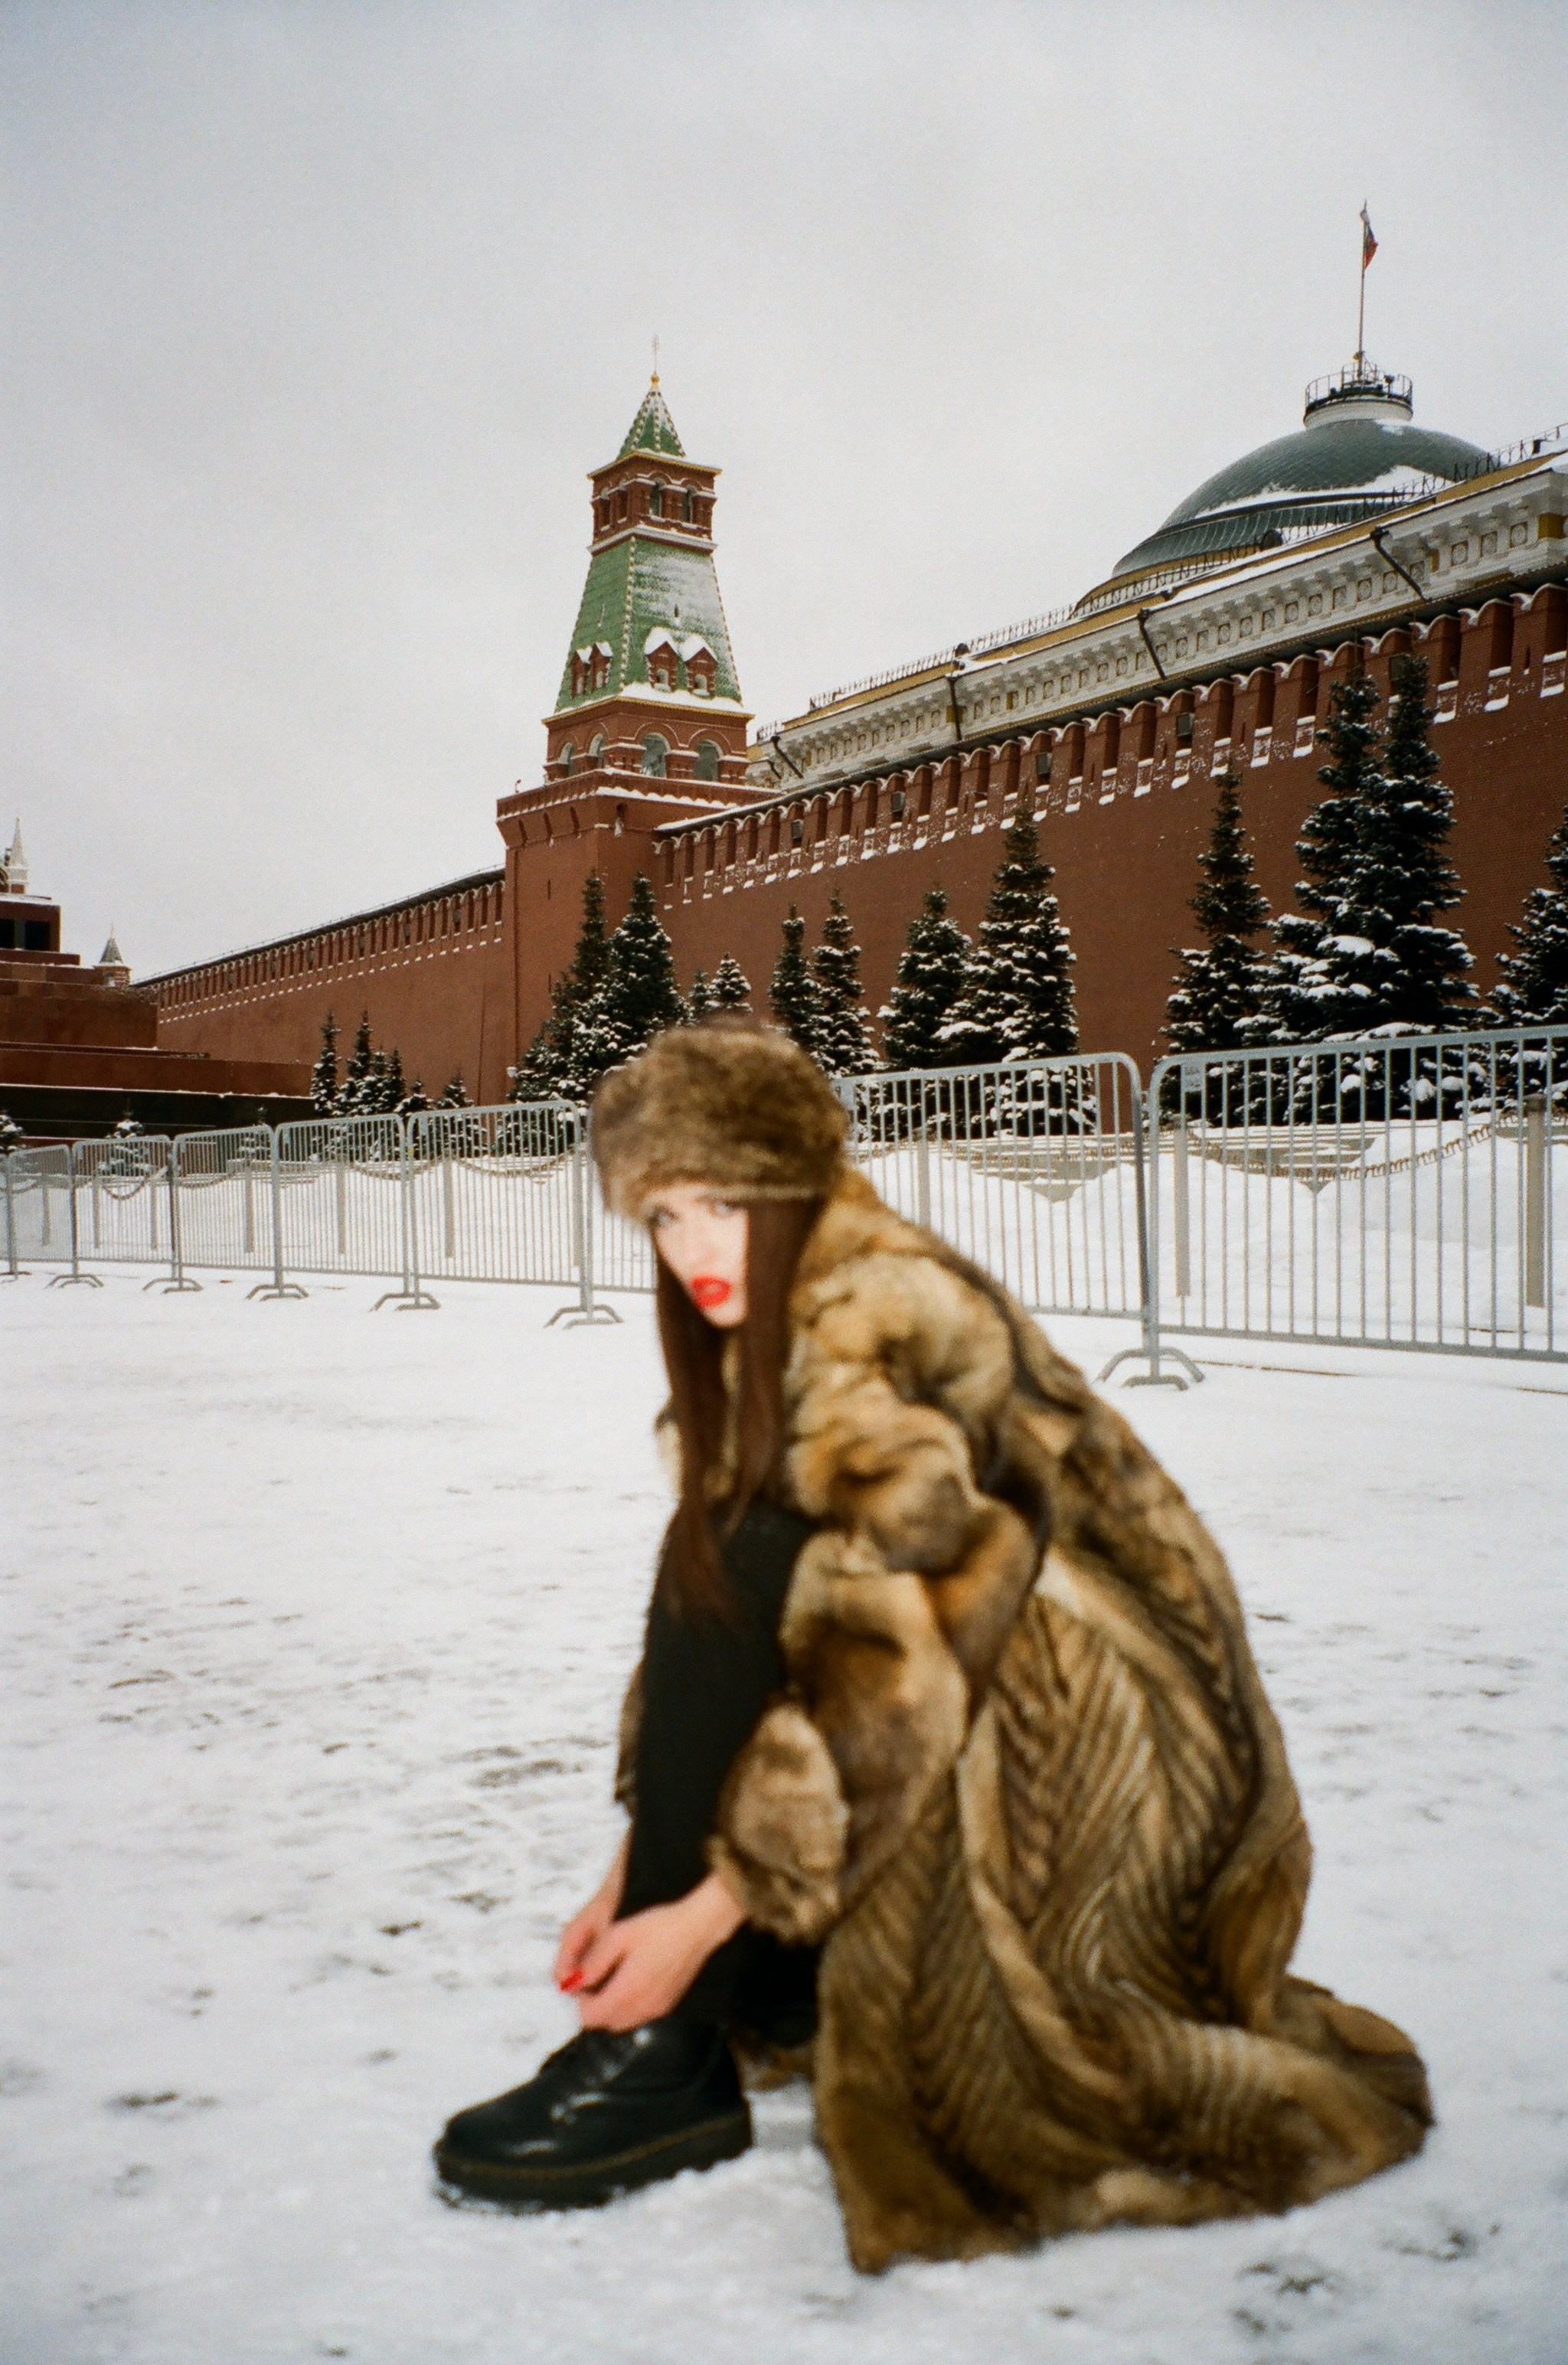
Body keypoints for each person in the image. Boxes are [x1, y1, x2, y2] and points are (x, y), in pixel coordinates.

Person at [434, 1020, 1430, 2269]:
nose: (692, 1248)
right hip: (990, 1673)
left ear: (791, 1185)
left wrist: (693, 1920)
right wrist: (642, 1872)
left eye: (722, 1204)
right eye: (666, 1215)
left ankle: (662, 2054)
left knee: (751, 1559)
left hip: (1122, 1739)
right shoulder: (777, 1327)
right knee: (739, 1553)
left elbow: (894, 1650)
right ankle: (745, 1989)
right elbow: (777, 1648)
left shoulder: (876, 1315)